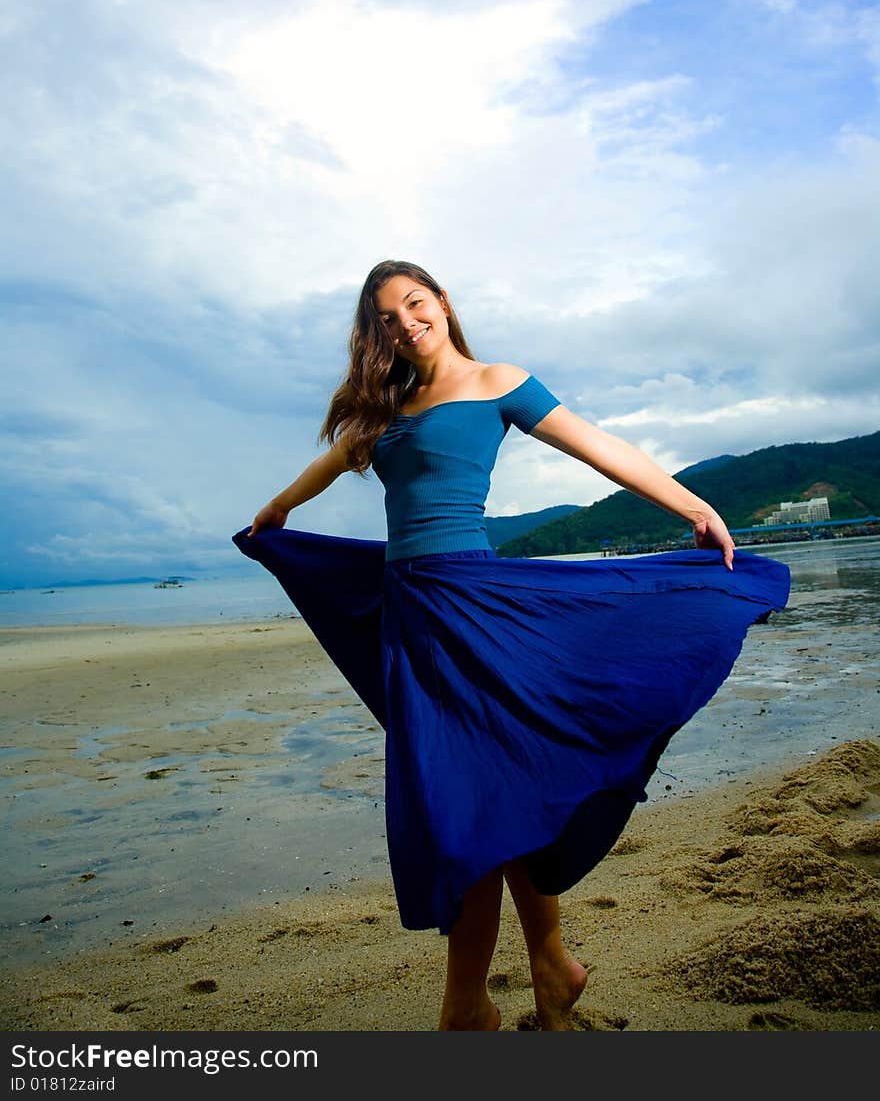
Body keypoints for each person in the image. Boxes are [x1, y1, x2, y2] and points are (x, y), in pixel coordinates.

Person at [234, 258, 790, 1031]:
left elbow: (598, 448)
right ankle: (550, 967)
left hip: (477, 611)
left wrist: (693, 503)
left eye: (414, 305)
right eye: (387, 319)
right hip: (414, 621)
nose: (405, 324)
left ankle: (468, 1006)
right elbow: (328, 465)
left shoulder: (499, 381)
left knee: (472, 806)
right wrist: (274, 512)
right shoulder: (385, 409)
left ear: (443, 303)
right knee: (496, 797)